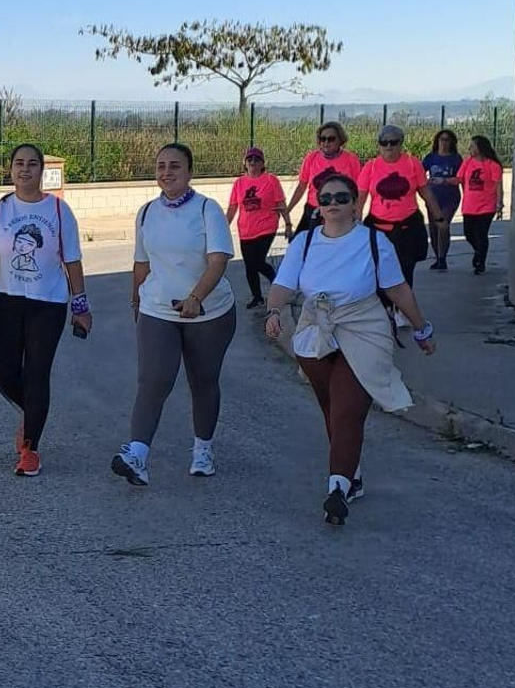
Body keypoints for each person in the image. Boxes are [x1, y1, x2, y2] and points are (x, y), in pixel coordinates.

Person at [263, 173, 436, 525]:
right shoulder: (305, 242)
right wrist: (274, 311)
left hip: (364, 327)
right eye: (325, 199)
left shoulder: (374, 241)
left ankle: (337, 488)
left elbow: (398, 290)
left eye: (340, 198)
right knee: (331, 408)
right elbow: (283, 285)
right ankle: (351, 474)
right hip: (316, 330)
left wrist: (421, 328)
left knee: (347, 408)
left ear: (355, 203)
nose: (332, 205)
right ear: (317, 204)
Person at [0, 143, 90, 477]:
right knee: (2, 374)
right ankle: (31, 410)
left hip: (48, 304)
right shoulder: (0, 210)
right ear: (11, 169)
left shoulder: (59, 212)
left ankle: (31, 448)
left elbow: (72, 261)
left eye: (33, 164)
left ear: (42, 171)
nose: (25, 169)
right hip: (8, 300)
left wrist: (81, 306)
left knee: (36, 373)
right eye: (19, 163)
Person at [112, 143, 237, 487]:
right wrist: (136, 299)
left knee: (203, 381)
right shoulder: (147, 212)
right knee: (153, 380)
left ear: (190, 172)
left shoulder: (206, 210)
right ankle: (137, 455)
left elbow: (219, 260)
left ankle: (203, 449)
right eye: (161, 166)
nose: (167, 172)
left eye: (175, 166)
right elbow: (141, 262)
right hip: (158, 309)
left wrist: (197, 297)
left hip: (209, 312)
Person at [358, 125, 444, 297]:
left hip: (408, 227)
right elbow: (361, 198)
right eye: (384, 143)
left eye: (393, 142)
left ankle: (403, 309)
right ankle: (386, 306)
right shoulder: (371, 167)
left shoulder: (413, 164)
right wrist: (355, 224)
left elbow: (426, 192)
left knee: (406, 268)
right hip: (379, 227)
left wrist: (439, 218)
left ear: (401, 143)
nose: (389, 147)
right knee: (380, 269)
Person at [224, 146, 293, 309]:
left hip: (266, 227)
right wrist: (223, 227)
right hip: (246, 230)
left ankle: (278, 283)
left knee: (258, 262)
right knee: (249, 266)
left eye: (257, 159)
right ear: (245, 163)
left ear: (263, 163)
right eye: (250, 159)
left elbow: (281, 204)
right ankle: (257, 297)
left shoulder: (271, 180)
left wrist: (288, 223)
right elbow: (233, 207)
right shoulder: (239, 183)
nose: (253, 162)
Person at [286, 122, 363, 236]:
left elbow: (358, 190)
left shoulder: (351, 160)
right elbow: (301, 186)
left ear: (340, 140)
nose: (326, 142)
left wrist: (357, 213)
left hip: (339, 210)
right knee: (301, 245)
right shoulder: (311, 158)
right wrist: (288, 209)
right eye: (323, 139)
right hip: (313, 210)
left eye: (331, 139)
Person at [455, 135, 505, 275]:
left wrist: (499, 203)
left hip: (487, 206)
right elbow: (459, 178)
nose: (470, 149)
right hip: (469, 205)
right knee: (469, 234)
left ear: (480, 148)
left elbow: (498, 185)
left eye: (473, 146)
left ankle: (480, 262)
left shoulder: (492, 165)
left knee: (481, 234)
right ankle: (478, 251)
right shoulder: (468, 162)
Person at [422, 129, 463, 270]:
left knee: (443, 225)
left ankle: (442, 257)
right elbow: (420, 174)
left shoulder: (456, 159)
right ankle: (437, 256)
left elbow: (460, 178)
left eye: (447, 140)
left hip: (450, 197)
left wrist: (445, 181)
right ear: (437, 141)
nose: (444, 143)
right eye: (442, 139)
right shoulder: (430, 158)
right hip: (433, 197)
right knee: (433, 229)